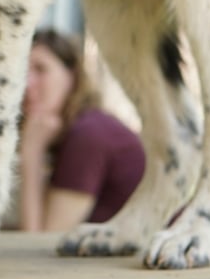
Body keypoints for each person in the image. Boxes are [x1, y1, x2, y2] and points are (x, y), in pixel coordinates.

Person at [19, 29, 146, 232]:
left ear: (72, 76)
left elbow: (39, 240)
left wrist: (31, 154)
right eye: (20, 73)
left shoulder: (89, 134)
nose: (26, 84)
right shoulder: (83, 127)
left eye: (41, 69)